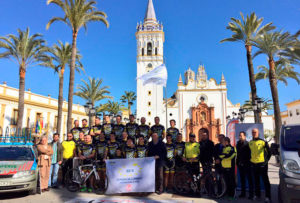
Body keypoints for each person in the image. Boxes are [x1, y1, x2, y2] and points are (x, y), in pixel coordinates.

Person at [249, 128, 271, 203]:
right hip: (254, 165)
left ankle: (268, 197)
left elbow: (269, 153)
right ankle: (257, 195)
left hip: (262, 165)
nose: (254, 133)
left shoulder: (263, 142)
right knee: (256, 181)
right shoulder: (250, 142)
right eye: (252, 132)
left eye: (255, 132)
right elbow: (250, 153)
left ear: (258, 133)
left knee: (265, 181)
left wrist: (265, 163)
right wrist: (251, 162)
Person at [236, 131, 253, 199]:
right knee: (242, 180)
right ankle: (243, 193)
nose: (240, 137)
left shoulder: (248, 144)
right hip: (240, 165)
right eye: (239, 135)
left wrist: (248, 162)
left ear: (245, 136)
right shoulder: (238, 144)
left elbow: (250, 155)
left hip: (247, 164)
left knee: (249, 180)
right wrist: (237, 162)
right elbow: (238, 154)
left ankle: (251, 194)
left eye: (241, 135)